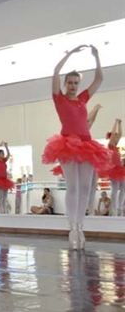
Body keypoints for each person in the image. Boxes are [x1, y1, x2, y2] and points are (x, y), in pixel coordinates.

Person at [42, 44, 108, 249]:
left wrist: (96, 58)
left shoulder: (83, 98)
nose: (72, 85)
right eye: (69, 82)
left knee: (86, 187)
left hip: (87, 144)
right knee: (73, 186)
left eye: (75, 82)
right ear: (65, 83)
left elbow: (99, 79)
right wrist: (69, 54)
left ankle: (80, 225)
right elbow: (54, 72)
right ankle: (72, 227)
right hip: (66, 144)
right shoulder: (58, 98)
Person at [100, 119, 125, 216]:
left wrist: (119, 124)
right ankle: (114, 207)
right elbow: (114, 134)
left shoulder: (115, 146)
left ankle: (119, 207)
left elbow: (120, 133)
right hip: (114, 170)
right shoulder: (110, 145)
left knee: (123, 188)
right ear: (111, 138)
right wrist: (115, 122)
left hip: (120, 169)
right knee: (115, 189)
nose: (116, 138)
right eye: (114, 137)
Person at [0, 141, 15, 214]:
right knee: (0, 196)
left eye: (3, 153)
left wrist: (6, 147)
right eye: (1, 153)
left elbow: (9, 154)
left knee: (5, 196)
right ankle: (1, 210)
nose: (3, 155)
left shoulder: (4, 161)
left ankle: (4, 210)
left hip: (5, 180)